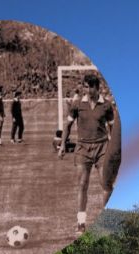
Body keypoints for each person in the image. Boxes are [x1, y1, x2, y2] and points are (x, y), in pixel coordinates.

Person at [59, 74, 114, 234]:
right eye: (85, 86)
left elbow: (112, 128)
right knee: (82, 184)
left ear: (97, 88)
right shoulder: (77, 105)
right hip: (83, 148)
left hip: (102, 147)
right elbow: (67, 125)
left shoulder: (107, 106)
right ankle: (81, 223)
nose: (87, 90)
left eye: (90, 87)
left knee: (106, 185)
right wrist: (63, 144)